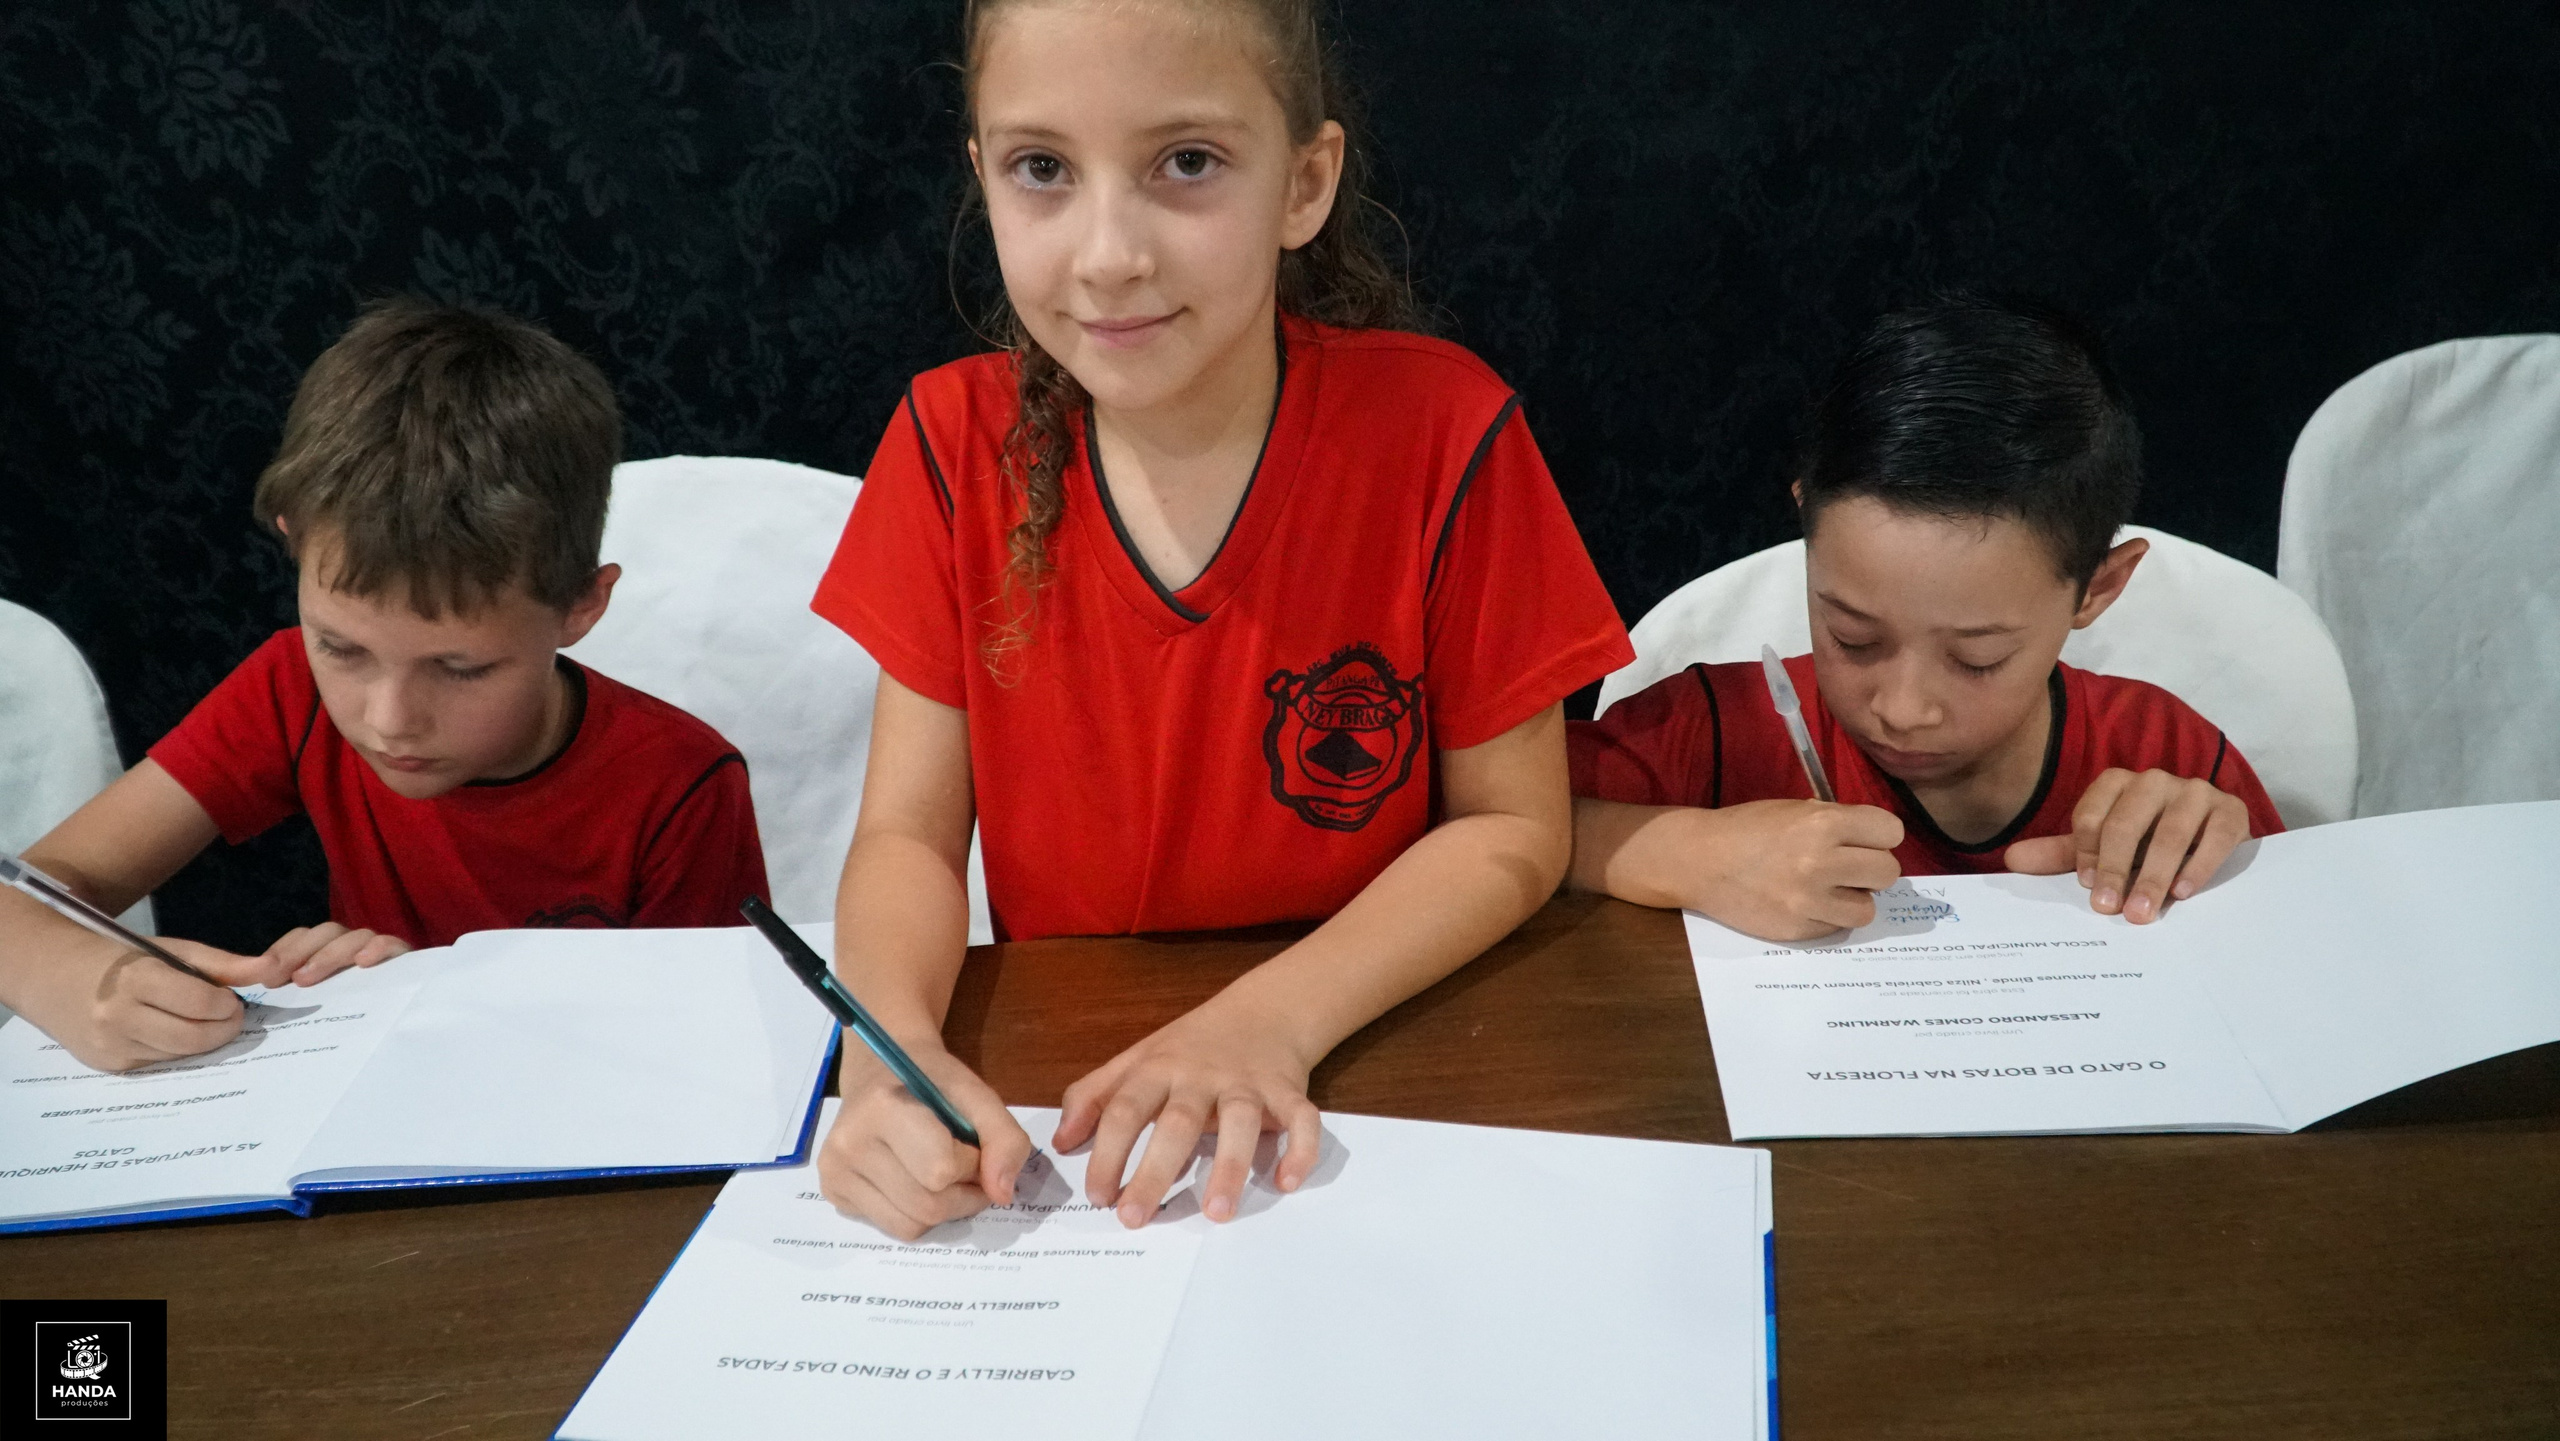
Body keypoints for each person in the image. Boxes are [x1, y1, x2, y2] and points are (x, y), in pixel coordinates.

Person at [810, 0, 1631, 1238]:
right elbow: (909, 841)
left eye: (1184, 164)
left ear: (1303, 183)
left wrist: (1269, 1020)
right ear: (980, 177)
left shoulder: (1445, 435)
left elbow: (1513, 828)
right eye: (1043, 170)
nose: (1107, 254)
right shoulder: (943, 444)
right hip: (1081, 1117)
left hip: (1379, 1063)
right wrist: (886, 1059)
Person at [0, 300, 769, 1073]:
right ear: (293, 545)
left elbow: (701, 1060)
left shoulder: (682, 787)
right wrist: (71, 976)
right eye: (341, 647)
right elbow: (31, 892)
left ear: (582, 606)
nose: (388, 719)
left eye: (459, 668)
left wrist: (433, 997)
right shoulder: (289, 688)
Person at [1569, 294, 2284, 942]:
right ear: (1807, 532)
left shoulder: (2166, 752)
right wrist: (1686, 851)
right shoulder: (1716, 736)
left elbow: (2299, 942)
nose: (1904, 710)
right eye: (1853, 636)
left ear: (2097, 588)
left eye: (1977, 658)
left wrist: (2218, 858)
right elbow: (1493, 823)